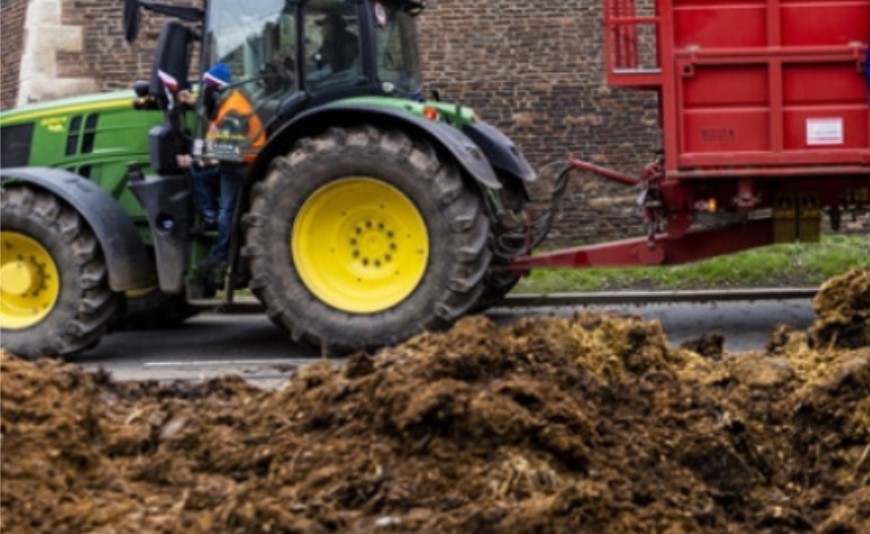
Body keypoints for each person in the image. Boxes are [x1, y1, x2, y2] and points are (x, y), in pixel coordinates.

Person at [176, 62, 244, 272]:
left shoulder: (233, 111)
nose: (205, 93)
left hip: (240, 166)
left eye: (208, 89)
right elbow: (213, 126)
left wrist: (194, 160)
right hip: (232, 162)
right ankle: (210, 218)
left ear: (217, 90)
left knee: (226, 210)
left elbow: (230, 151)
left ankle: (220, 255)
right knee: (200, 177)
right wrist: (194, 103)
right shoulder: (227, 102)